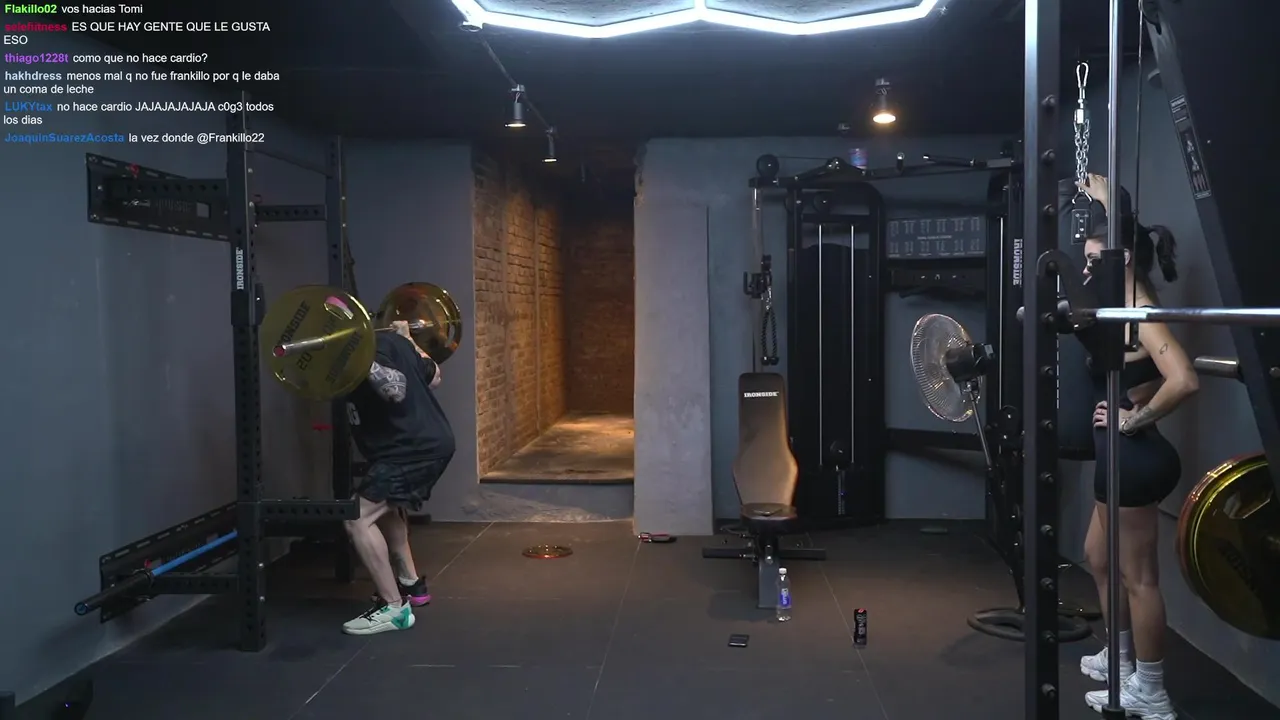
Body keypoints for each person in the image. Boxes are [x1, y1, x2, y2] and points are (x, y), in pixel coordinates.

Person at [1073, 174, 1198, 720]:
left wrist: (1133, 418)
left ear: (1120, 260)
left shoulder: (1140, 311)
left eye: (1092, 260)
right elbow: (1143, 376)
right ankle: (1120, 659)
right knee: (1098, 557)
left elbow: (1184, 379)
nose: (1085, 270)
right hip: (1117, 457)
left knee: (1139, 578)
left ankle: (1150, 690)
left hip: (1135, 458)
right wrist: (1106, 202)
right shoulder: (1119, 305)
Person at [340, 319, 455, 635]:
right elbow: (434, 377)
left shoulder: (371, 349)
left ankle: (393, 609)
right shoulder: (400, 342)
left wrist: (357, 357)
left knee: (357, 518)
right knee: (386, 507)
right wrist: (409, 339)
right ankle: (411, 585)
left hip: (411, 450)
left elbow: (394, 390)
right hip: (412, 446)